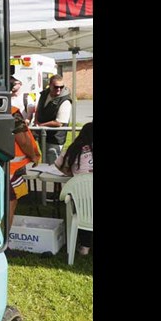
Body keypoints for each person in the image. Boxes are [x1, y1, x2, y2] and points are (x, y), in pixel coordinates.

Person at [55, 121, 93, 255]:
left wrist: (72, 174)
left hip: (82, 196)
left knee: (84, 212)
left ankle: (84, 247)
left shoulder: (73, 150)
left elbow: (58, 164)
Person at [9, 105, 40, 224]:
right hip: (11, 170)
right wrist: (33, 155)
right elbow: (23, 140)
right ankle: (4, 240)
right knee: (9, 206)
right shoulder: (11, 111)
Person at [34, 74, 72, 164]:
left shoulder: (65, 101)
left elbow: (59, 123)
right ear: (50, 85)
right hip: (43, 136)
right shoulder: (44, 94)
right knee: (45, 161)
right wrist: (36, 121)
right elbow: (38, 109)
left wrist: (40, 125)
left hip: (55, 139)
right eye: (56, 87)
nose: (59, 90)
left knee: (52, 166)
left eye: (61, 87)